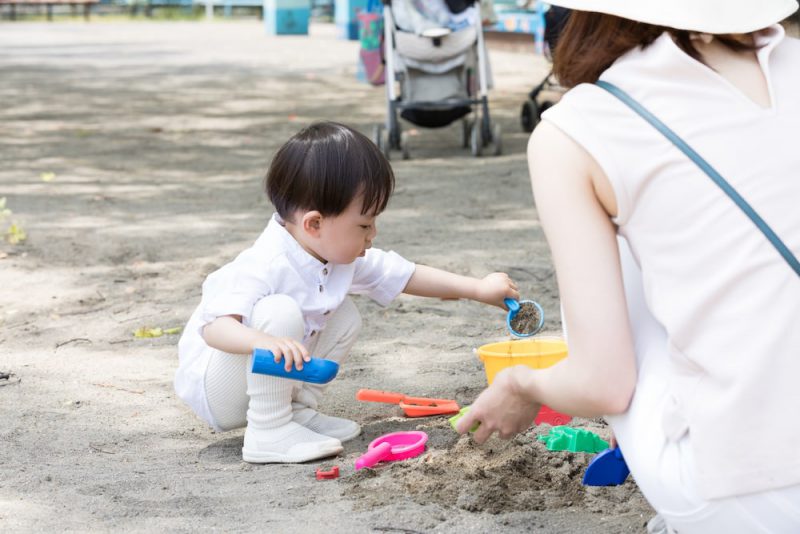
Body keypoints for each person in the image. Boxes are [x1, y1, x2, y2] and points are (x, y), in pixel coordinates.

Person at [455, 1, 800, 531]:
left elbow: (604, 386)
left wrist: (521, 384)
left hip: (758, 487)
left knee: (615, 252)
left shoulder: (579, 127)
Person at [175, 121, 519, 464]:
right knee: (279, 311)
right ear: (314, 223)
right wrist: (261, 341)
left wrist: (477, 289)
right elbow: (215, 329)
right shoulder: (265, 262)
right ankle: (269, 430)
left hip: (259, 381)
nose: (373, 235)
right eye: (364, 225)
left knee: (343, 315)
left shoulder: (331, 254)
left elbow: (403, 274)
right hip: (218, 391)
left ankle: (296, 411)